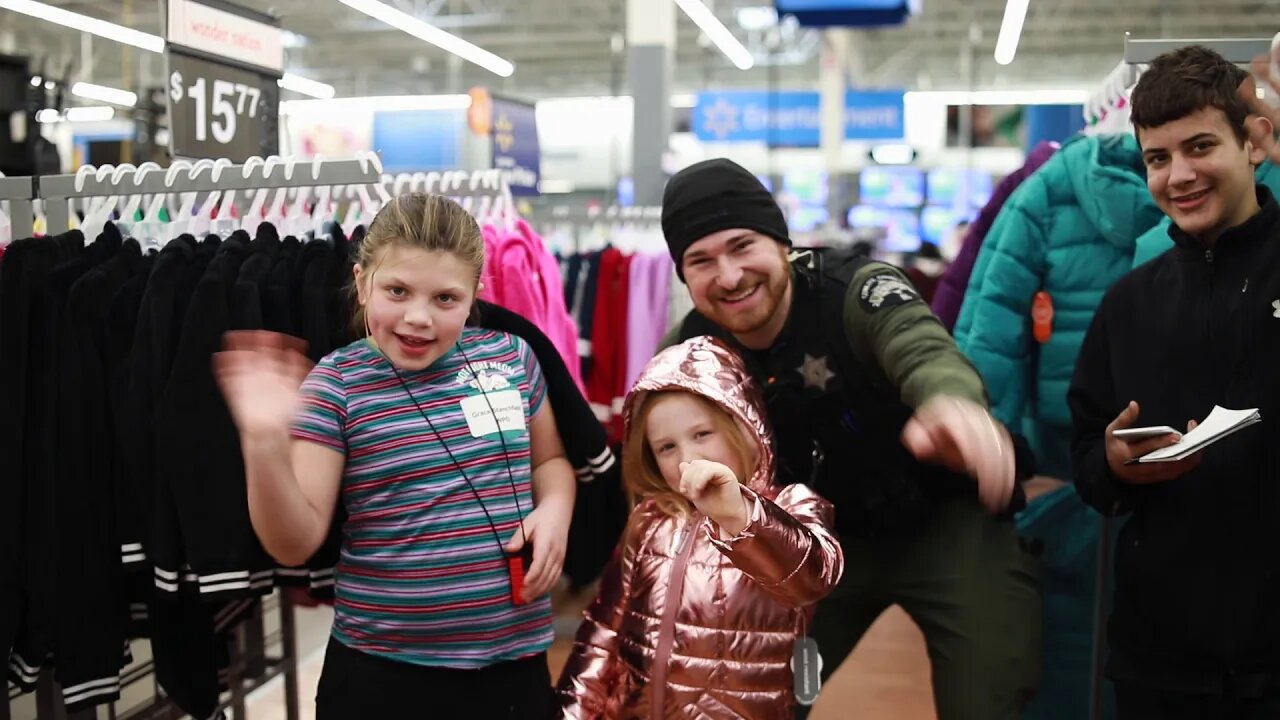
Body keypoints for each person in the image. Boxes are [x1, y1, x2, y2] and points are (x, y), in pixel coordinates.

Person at [658, 159, 1041, 720]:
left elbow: (921, 348)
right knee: (752, 701)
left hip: (946, 523)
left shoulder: (855, 289)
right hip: (810, 549)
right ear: (684, 276)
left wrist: (949, 406)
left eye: (743, 246)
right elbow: (660, 467)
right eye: (702, 261)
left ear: (781, 242)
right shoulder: (689, 354)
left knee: (991, 692)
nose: (731, 275)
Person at [213, 193, 576, 719]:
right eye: (397, 290)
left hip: (513, 667)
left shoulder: (512, 357)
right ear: (362, 283)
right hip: (383, 677)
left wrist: (555, 512)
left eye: (446, 298)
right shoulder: (337, 384)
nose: (418, 317)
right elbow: (295, 544)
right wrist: (263, 443)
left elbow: (551, 463)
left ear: (475, 294)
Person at [1068, 45, 1280, 718]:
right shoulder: (1128, 304)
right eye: (1158, 158)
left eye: (1199, 147)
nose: (1178, 176)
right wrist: (1112, 462)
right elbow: (1086, 459)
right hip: (1162, 657)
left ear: (1254, 143)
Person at [555, 336, 843, 719]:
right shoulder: (651, 520)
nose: (687, 457)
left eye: (702, 435)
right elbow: (602, 635)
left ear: (743, 428)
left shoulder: (792, 505)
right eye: (666, 447)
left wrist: (739, 515)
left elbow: (810, 579)